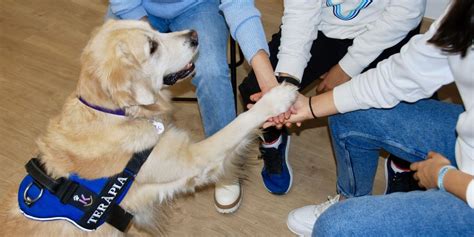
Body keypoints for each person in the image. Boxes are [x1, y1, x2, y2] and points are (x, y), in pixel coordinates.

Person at [264, 0, 474, 235]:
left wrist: (447, 178)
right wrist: (310, 106)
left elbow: (405, 13)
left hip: (464, 184)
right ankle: (350, 200)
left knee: (333, 229)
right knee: (346, 109)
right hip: (467, 144)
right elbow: (403, 74)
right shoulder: (463, 10)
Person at [106, 0, 279, 214]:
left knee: (211, 71)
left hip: (200, 5)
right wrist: (155, 43)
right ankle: (119, 163)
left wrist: (267, 77)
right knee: (111, 77)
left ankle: (224, 164)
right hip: (136, 7)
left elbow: (238, 4)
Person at [239, 0, 426, 195]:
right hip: (322, 26)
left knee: (414, 110)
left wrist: (348, 66)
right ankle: (273, 141)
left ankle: (402, 165)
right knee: (256, 92)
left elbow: (406, 12)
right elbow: (300, 14)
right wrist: (287, 86)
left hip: (385, 30)